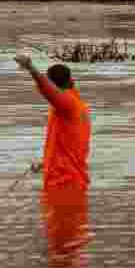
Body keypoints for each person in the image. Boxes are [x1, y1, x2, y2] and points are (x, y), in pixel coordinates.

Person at [15, 55, 91, 189]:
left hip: (64, 183)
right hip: (71, 182)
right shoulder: (76, 106)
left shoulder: (68, 104)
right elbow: (71, 147)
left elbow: (46, 88)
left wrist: (30, 68)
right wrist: (45, 163)